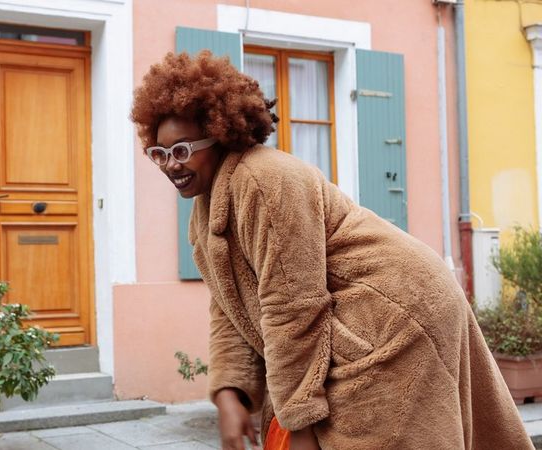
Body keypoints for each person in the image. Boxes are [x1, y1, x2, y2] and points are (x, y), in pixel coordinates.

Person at [130, 50, 533, 450]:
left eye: (181, 150)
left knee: (375, 433)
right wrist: (230, 393)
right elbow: (230, 306)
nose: (170, 165)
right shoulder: (206, 210)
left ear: (219, 135)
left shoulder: (263, 179)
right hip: (361, 312)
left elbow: (292, 306)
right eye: (159, 154)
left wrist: (300, 423)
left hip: (395, 311)